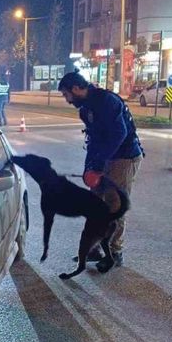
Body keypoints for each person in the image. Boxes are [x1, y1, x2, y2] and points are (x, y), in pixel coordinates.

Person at [58, 71, 144, 267]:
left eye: (66, 95)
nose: (67, 100)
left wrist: (99, 163)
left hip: (124, 158)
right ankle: (95, 248)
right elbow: (93, 141)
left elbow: (119, 134)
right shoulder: (85, 109)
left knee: (115, 206)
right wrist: (89, 168)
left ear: (76, 88)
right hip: (105, 159)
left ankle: (114, 253)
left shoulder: (107, 101)